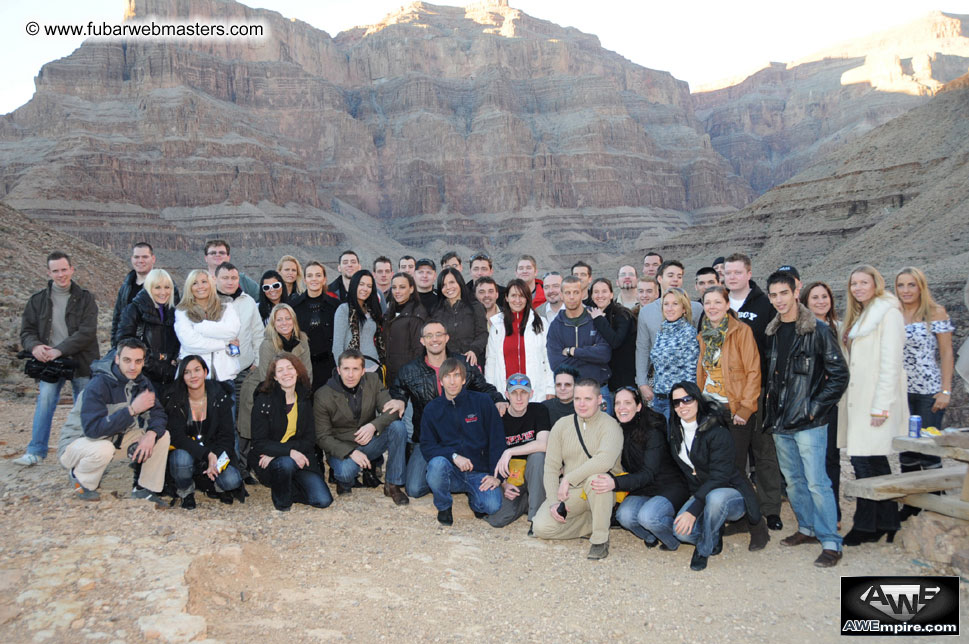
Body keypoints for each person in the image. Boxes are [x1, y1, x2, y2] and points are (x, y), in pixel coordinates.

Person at [764, 272, 850, 567]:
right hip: (780, 420)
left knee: (817, 482)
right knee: (794, 480)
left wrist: (814, 408)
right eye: (773, 295)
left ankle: (830, 541)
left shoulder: (818, 329)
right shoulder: (772, 332)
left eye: (783, 293)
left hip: (810, 421)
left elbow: (839, 375)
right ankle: (807, 528)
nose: (778, 300)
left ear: (795, 292)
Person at [389, 321, 505, 498]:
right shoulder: (409, 370)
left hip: (461, 437)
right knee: (414, 489)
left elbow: (484, 387)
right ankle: (445, 475)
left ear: (446, 338)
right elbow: (398, 391)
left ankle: (461, 479)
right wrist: (398, 400)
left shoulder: (463, 364)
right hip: (428, 439)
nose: (434, 339)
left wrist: (498, 400)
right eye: (429, 336)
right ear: (422, 341)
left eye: (439, 334)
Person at [838, 265, 907, 545]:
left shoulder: (888, 313)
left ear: (876, 284)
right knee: (870, 461)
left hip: (874, 401)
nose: (858, 288)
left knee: (867, 462)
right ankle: (887, 520)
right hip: (858, 398)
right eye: (854, 283)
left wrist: (881, 406)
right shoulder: (863, 314)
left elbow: (892, 363)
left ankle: (867, 525)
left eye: (863, 282)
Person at [668, 382, 769, 571]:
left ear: (697, 399)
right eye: (676, 403)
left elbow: (720, 476)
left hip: (729, 493)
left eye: (687, 399)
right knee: (679, 532)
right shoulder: (675, 432)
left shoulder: (717, 430)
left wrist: (694, 508)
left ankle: (704, 549)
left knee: (715, 499)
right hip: (701, 493)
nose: (682, 406)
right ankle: (713, 534)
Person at [56, 338, 169, 505]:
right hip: (78, 444)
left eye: (138, 361)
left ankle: (143, 489)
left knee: (162, 435)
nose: (132, 366)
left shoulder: (142, 383)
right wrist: (132, 410)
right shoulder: (99, 384)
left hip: (113, 440)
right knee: (104, 448)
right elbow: (92, 430)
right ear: (117, 359)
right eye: (127, 360)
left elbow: (158, 414)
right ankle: (80, 479)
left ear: (143, 362)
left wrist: (151, 434)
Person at [16, 251, 99, 466]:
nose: (61, 274)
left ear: (71, 269)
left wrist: (59, 350)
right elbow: (27, 331)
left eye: (64, 269)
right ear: (48, 272)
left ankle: (83, 452)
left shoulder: (85, 298)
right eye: (56, 271)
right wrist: (34, 347)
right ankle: (36, 451)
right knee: (44, 402)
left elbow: (87, 332)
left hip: (80, 360)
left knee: (83, 405)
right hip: (49, 363)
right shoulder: (37, 300)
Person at [721, 252, 783, 529]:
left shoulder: (765, 304)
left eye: (737, 272)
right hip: (727, 394)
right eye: (728, 273)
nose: (732, 277)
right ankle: (741, 510)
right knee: (734, 456)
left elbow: (773, 347)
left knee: (764, 453)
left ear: (748, 274)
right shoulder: (717, 303)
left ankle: (771, 510)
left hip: (758, 390)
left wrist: (770, 387)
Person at [532, 378, 623, 559]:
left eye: (588, 399)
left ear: (599, 400)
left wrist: (567, 478)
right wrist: (553, 502)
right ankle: (593, 522)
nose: (581, 404)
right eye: (577, 399)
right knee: (541, 527)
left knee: (596, 478)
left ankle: (599, 539)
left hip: (601, 490)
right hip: (572, 493)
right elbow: (551, 467)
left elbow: (604, 460)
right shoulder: (562, 425)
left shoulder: (611, 425)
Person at [695, 285, 767, 516]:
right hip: (711, 409)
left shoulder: (741, 331)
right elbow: (703, 373)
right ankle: (726, 515)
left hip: (733, 409)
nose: (712, 307)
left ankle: (755, 522)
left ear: (727, 305)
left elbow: (754, 371)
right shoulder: (704, 334)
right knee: (715, 466)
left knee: (736, 468)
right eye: (708, 303)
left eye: (718, 302)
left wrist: (746, 408)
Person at [894, 267, 954, 520]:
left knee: (929, 449)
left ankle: (936, 503)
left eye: (911, 285)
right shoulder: (893, 313)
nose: (906, 291)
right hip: (901, 392)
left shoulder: (935, 312)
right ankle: (912, 503)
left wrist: (945, 390)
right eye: (901, 285)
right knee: (906, 451)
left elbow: (947, 352)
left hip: (928, 390)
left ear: (921, 287)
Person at [315, 349, 408, 503]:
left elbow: (392, 410)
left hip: (369, 442)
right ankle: (342, 479)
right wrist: (350, 452)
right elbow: (322, 437)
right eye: (346, 369)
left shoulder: (372, 380)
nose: (350, 375)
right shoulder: (323, 394)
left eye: (355, 369)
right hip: (342, 448)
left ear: (363, 371)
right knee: (346, 473)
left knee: (398, 428)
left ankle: (393, 484)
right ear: (338, 370)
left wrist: (373, 426)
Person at [420, 358, 505, 525]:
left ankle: (475, 501)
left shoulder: (483, 402)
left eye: (457, 376)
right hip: (450, 472)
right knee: (436, 465)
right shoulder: (432, 409)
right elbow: (427, 446)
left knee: (492, 506)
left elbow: (497, 440)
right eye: (447, 376)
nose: (452, 381)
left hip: (479, 472)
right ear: (441, 381)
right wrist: (453, 456)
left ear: (464, 379)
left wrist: (497, 476)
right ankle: (444, 505)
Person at [607, 387, 689, 550]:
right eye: (617, 403)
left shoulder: (653, 430)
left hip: (668, 485)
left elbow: (649, 473)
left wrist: (614, 483)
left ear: (638, 406)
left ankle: (672, 540)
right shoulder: (615, 431)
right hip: (642, 487)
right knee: (624, 516)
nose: (621, 407)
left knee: (648, 517)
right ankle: (651, 535)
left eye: (627, 403)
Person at [237, 304, 313, 477]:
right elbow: (267, 378)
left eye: (288, 318)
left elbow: (307, 373)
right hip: (260, 390)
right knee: (249, 434)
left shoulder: (302, 340)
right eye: (279, 319)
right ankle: (243, 470)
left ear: (294, 320)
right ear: (273, 323)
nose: (284, 323)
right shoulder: (267, 344)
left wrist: (298, 394)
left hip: (291, 390)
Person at [250, 353, 332, 511]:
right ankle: (282, 502)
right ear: (274, 377)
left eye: (290, 368)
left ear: (297, 371)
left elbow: (309, 440)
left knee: (323, 500)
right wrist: (289, 453)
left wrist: (287, 452)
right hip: (270, 461)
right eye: (280, 370)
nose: (286, 373)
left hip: (300, 455)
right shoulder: (264, 400)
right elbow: (259, 442)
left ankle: (287, 485)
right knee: (285, 463)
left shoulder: (304, 397)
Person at [163, 355, 245, 509]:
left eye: (197, 370)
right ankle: (185, 491)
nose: (193, 375)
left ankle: (212, 484)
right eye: (187, 372)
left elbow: (227, 437)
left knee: (232, 480)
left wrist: (216, 460)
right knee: (181, 460)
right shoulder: (175, 399)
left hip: (215, 452)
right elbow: (178, 438)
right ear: (182, 376)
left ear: (205, 372)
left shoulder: (220, 397)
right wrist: (206, 454)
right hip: (188, 451)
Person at [800, 281, 845, 522]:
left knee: (831, 458)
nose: (820, 302)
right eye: (814, 298)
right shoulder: (803, 329)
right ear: (806, 302)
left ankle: (833, 511)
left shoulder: (840, 328)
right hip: (810, 401)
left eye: (824, 297)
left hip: (834, 402)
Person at [486, 374, 551, 532]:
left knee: (537, 457)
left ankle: (535, 517)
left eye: (524, 393)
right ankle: (530, 500)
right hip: (512, 476)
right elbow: (491, 453)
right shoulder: (499, 417)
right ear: (507, 395)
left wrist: (510, 451)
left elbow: (544, 444)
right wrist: (503, 484)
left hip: (535, 472)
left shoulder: (539, 410)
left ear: (531, 393)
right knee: (497, 519)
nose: (519, 398)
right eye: (514, 393)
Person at [635, 260, 703, 407]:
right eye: (670, 275)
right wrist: (642, 382)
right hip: (660, 387)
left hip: (687, 392)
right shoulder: (646, 312)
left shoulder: (697, 309)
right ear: (659, 279)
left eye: (679, 276)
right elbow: (643, 348)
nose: (675, 279)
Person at [546, 276, 613, 414]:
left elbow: (605, 354)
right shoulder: (556, 326)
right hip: (570, 395)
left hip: (598, 390)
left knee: (603, 433)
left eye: (576, 292)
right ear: (561, 295)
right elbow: (557, 364)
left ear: (582, 294)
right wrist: (591, 357)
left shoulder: (596, 318)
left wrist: (573, 352)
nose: (572, 297)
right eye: (567, 293)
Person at [484, 279, 553, 401]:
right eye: (513, 295)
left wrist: (550, 389)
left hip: (536, 391)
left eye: (521, 296)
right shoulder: (497, 324)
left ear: (527, 298)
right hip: (505, 393)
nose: (517, 300)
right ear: (506, 297)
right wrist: (491, 392)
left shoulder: (541, 323)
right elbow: (491, 361)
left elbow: (548, 358)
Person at [115, 268, 181, 395]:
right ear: (149, 287)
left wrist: (174, 364)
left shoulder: (175, 311)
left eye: (167, 287)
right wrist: (153, 365)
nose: (163, 292)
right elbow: (124, 341)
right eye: (157, 287)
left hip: (170, 377)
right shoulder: (134, 309)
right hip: (143, 376)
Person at [174, 270, 241, 383]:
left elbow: (232, 331)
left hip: (224, 376)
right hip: (194, 377)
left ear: (211, 283)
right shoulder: (182, 311)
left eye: (204, 281)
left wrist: (200, 327)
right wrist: (224, 343)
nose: (200, 286)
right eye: (195, 283)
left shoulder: (226, 305)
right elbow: (190, 342)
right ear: (189, 287)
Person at [215, 262, 265, 406]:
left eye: (234, 278)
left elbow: (258, 334)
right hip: (218, 372)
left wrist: (256, 363)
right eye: (225, 278)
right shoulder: (209, 302)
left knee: (244, 412)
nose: (230, 282)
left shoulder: (248, 301)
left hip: (244, 369)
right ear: (216, 279)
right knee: (222, 415)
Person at [648, 288, 700, 418]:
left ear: (684, 308)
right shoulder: (662, 331)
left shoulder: (689, 333)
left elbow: (691, 372)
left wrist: (685, 402)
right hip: (658, 400)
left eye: (675, 304)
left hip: (678, 402)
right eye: (666, 304)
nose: (669, 308)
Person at [290, 261, 340, 391]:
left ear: (324, 280)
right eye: (310, 276)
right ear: (305, 280)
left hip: (330, 365)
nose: (314, 279)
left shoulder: (335, 305)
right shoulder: (294, 306)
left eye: (318, 275)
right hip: (303, 364)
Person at [332, 270, 386, 374]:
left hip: (375, 367)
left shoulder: (372, 310)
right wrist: (343, 372)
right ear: (354, 285)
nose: (365, 289)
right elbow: (337, 346)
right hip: (353, 370)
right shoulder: (343, 310)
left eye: (369, 286)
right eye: (361, 284)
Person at [432, 267, 488, 368]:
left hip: (471, 362)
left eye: (452, 282)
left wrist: (473, 350)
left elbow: (482, 333)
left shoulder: (475, 306)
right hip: (446, 366)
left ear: (460, 282)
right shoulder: (436, 311)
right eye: (444, 285)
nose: (448, 287)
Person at [588, 278, 637, 392]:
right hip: (602, 379)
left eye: (604, 291)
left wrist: (599, 319)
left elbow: (615, 341)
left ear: (611, 294)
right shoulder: (590, 314)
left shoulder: (622, 314)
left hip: (623, 379)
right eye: (596, 292)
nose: (600, 295)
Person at [384, 272, 429, 389]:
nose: (397, 291)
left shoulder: (417, 314)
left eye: (402, 287)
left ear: (411, 289)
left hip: (407, 379)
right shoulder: (389, 312)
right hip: (390, 375)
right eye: (394, 287)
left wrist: (411, 377)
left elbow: (418, 350)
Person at [111, 242, 157, 346]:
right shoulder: (126, 286)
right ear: (132, 259)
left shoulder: (163, 285)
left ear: (153, 259)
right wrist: (115, 345)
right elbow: (117, 317)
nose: (140, 261)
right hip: (126, 347)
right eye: (137, 257)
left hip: (153, 349)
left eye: (145, 257)